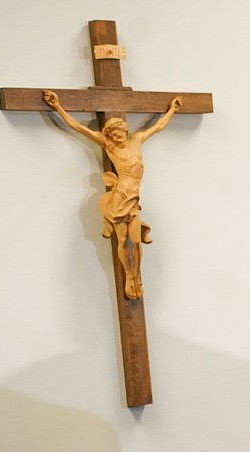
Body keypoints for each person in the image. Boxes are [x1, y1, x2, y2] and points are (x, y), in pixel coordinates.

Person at [42, 90, 182, 300]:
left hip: (134, 198)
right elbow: (77, 127)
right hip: (119, 197)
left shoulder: (136, 140)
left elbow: (159, 126)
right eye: (114, 134)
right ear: (110, 135)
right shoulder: (108, 145)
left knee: (135, 241)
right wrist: (58, 107)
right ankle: (128, 275)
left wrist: (172, 109)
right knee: (122, 239)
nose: (118, 137)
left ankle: (135, 276)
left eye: (120, 133)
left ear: (125, 131)